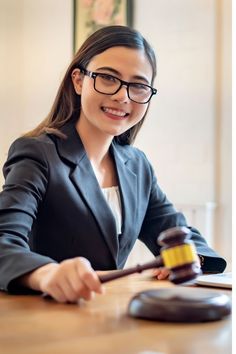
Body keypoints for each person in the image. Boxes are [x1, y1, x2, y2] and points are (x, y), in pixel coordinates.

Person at [0, 25, 226, 303]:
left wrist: (189, 258)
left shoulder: (137, 165)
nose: (122, 96)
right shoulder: (38, 153)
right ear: (79, 80)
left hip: (109, 318)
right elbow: (4, 241)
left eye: (139, 85)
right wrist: (46, 273)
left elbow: (177, 232)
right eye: (108, 78)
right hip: (46, 318)